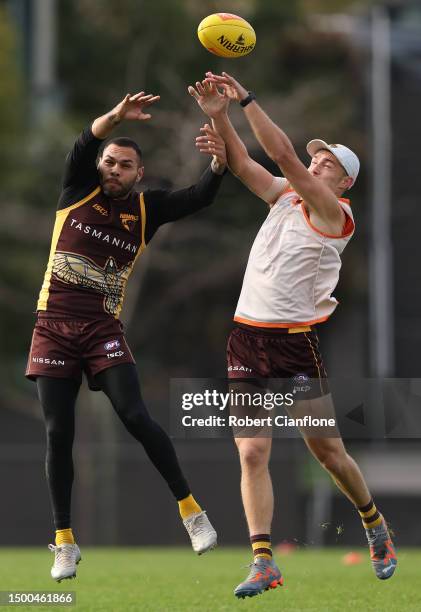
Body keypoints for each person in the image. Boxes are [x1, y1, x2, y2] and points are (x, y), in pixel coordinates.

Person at [189, 74, 397, 599]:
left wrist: (247, 100)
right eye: (318, 159)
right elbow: (242, 163)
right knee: (252, 452)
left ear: (344, 183)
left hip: (293, 344)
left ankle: (374, 522)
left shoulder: (335, 213)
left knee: (327, 452)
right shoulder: (285, 198)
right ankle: (264, 561)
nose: (317, 163)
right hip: (246, 339)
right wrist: (219, 114)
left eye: (328, 163)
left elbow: (281, 155)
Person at [26, 91, 227, 582]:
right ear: (99, 165)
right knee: (58, 432)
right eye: (110, 162)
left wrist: (221, 163)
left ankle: (191, 512)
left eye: (125, 165)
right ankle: (65, 543)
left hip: (102, 331)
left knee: (135, 415)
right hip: (53, 327)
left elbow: (198, 197)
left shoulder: (146, 210)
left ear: (140, 172)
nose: (115, 169)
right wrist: (114, 117)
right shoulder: (78, 188)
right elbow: (83, 141)